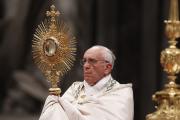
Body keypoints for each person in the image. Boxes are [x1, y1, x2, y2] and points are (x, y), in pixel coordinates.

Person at [39, 45, 134, 120]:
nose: (86, 66)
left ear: (107, 67)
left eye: (92, 61)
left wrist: (70, 110)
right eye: (84, 61)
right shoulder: (75, 88)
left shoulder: (122, 92)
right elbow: (57, 113)